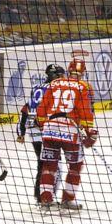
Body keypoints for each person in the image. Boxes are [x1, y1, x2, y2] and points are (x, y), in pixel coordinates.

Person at [36, 58, 98, 211]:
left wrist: (45, 125)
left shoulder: (54, 83)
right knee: (75, 166)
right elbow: (85, 111)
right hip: (70, 130)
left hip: (50, 129)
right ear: (83, 72)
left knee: (48, 166)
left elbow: (42, 108)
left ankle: (45, 200)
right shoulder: (84, 87)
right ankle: (68, 199)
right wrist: (89, 132)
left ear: (68, 70)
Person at [17, 64, 65, 203]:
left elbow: (26, 109)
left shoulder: (36, 88)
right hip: (45, 129)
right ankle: (47, 196)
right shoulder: (55, 89)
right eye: (60, 75)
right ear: (54, 76)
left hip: (32, 129)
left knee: (41, 162)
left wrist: (21, 132)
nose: (62, 78)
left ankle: (39, 195)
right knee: (54, 163)